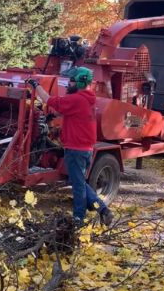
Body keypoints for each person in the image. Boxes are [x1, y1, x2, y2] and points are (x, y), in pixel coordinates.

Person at [26, 67, 114, 227]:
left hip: (75, 150)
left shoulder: (77, 99)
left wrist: (35, 85)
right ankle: (103, 210)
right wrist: (58, 115)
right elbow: (75, 114)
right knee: (78, 181)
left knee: (78, 185)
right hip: (85, 149)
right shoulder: (88, 98)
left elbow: (49, 100)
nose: (68, 83)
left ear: (80, 81)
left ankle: (80, 218)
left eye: (71, 80)